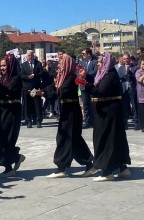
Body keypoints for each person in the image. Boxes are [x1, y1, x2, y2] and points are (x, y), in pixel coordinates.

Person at [46, 53, 95, 178]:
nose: (60, 65)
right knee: (73, 140)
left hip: (72, 112)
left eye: (62, 63)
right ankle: (89, 164)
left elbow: (63, 91)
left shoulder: (72, 78)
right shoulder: (62, 77)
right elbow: (52, 89)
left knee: (66, 138)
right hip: (66, 111)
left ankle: (62, 167)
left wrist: (55, 88)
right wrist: (41, 92)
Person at [87, 52, 131, 181]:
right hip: (106, 111)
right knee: (115, 138)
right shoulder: (104, 74)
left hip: (108, 112)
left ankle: (107, 171)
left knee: (107, 139)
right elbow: (97, 85)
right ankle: (122, 168)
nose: (98, 65)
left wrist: (85, 85)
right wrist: (87, 79)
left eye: (100, 62)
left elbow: (100, 91)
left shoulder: (110, 75)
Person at [0, 53, 26, 177]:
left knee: (5, 139)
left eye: (4, 65)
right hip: (0, 110)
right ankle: (15, 157)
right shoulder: (1, 78)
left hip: (11, 110)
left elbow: (8, 91)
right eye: (1, 66)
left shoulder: (16, 77)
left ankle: (8, 167)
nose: (2, 68)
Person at [20, 50, 44, 128]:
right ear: (26, 56)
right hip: (26, 87)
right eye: (29, 55)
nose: (30, 57)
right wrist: (28, 77)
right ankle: (28, 120)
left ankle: (38, 120)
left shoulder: (38, 64)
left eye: (32, 55)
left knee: (37, 104)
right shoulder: (23, 65)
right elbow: (21, 75)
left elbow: (41, 73)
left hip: (35, 88)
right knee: (27, 105)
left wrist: (35, 75)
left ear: (34, 55)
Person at [80, 48, 97, 129]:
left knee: (93, 103)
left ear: (88, 54)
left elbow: (95, 72)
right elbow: (78, 72)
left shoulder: (95, 62)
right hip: (83, 86)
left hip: (91, 85)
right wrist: (81, 76)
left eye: (83, 53)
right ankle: (87, 121)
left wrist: (86, 75)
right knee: (85, 104)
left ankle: (94, 120)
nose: (82, 55)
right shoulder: (81, 62)